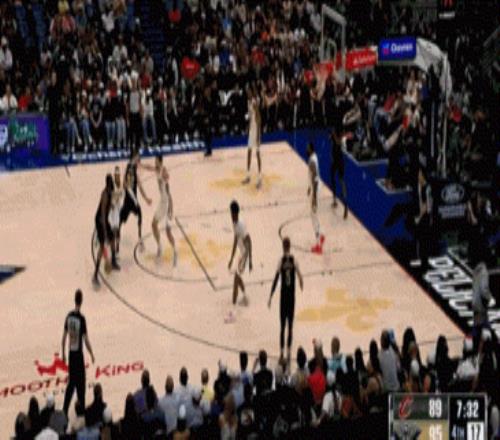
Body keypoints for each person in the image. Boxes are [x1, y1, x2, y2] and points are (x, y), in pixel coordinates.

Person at [268, 237, 304, 361]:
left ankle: (282, 353)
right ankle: (289, 352)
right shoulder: (294, 260)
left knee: (282, 327)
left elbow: (276, 279)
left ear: (283, 247)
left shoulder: (281, 261)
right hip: (291, 298)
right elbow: (300, 275)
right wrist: (301, 283)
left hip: (283, 298)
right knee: (290, 326)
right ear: (290, 246)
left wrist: (271, 295)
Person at [62, 289, 95, 416]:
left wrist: (63, 354)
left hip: (71, 354)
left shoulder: (68, 316)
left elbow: (64, 337)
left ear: (74, 300)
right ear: (81, 301)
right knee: (81, 384)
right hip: (78, 355)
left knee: (71, 383)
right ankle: (81, 411)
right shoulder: (81, 319)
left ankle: (65, 409)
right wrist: (91, 353)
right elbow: (85, 340)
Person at [139, 155, 177, 265]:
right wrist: (141, 165)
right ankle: (160, 246)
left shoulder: (163, 171)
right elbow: (149, 167)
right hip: (162, 202)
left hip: (166, 204)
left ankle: (175, 251)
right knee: (153, 224)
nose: (155, 163)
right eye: (155, 161)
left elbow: (168, 192)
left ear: (160, 162)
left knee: (168, 232)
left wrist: (171, 209)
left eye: (156, 161)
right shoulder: (157, 169)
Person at [120, 150, 152, 253]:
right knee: (122, 220)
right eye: (138, 157)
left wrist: (146, 198)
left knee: (135, 216)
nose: (139, 159)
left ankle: (140, 239)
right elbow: (125, 185)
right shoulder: (130, 169)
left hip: (130, 201)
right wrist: (135, 199)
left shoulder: (132, 168)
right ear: (134, 157)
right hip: (130, 201)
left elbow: (139, 185)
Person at [227, 200, 253, 323]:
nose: (230, 216)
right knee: (238, 279)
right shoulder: (234, 223)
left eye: (231, 213)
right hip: (241, 254)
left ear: (235, 213)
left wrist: (250, 259)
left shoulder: (241, 226)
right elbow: (235, 240)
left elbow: (249, 240)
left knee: (235, 280)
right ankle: (245, 298)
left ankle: (233, 311)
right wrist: (231, 258)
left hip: (245, 255)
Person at [93, 174, 117, 285]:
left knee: (112, 240)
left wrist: (112, 205)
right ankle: (95, 275)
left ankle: (113, 261)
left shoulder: (110, 192)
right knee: (102, 246)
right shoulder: (105, 195)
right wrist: (105, 232)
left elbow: (109, 205)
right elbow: (102, 214)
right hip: (100, 221)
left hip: (104, 219)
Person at [242, 87, 262, 189]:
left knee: (257, 154)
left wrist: (258, 134)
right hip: (251, 131)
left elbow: (259, 118)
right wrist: (248, 128)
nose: (248, 94)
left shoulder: (254, 103)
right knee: (249, 152)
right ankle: (248, 176)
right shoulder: (248, 102)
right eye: (247, 92)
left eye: (249, 92)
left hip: (256, 131)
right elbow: (251, 117)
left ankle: (260, 179)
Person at [307, 142, 325, 254]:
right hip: (315, 188)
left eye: (307, 148)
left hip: (316, 189)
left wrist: (313, 196)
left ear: (311, 149)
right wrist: (309, 187)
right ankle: (321, 235)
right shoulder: (314, 157)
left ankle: (319, 245)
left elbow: (315, 178)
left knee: (314, 216)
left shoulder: (311, 161)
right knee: (314, 215)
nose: (306, 149)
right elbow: (313, 177)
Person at [330, 128, 348, 219]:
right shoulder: (334, 137)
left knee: (341, 181)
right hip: (336, 161)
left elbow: (338, 142)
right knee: (333, 178)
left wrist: (334, 135)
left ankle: (345, 205)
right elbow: (333, 144)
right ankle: (334, 200)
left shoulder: (340, 139)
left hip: (339, 161)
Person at [109, 166, 124, 262]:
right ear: (114, 175)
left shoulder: (121, 186)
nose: (117, 177)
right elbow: (110, 196)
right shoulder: (111, 185)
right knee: (113, 231)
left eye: (118, 175)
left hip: (118, 211)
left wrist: (119, 198)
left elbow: (121, 196)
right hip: (111, 210)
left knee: (117, 231)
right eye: (116, 175)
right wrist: (112, 202)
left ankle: (117, 251)